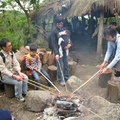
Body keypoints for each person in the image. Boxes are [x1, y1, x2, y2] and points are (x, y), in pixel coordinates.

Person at [49, 16, 72, 86]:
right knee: (60, 65)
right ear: (56, 23)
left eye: (61, 24)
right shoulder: (54, 31)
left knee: (66, 64)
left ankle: (67, 77)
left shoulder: (64, 29)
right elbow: (54, 43)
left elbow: (69, 38)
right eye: (59, 24)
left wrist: (70, 44)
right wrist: (56, 53)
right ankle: (60, 79)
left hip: (65, 50)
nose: (60, 25)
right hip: (58, 51)